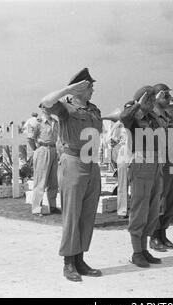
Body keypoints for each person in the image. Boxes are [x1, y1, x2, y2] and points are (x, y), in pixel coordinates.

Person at [40, 67, 103, 282]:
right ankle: (68, 262)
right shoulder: (65, 107)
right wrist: (68, 89)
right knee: (72, 214)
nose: (93, 89)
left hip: (91, 163)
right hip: (73, 162)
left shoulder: (94, 110)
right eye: (90, 86)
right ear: (81, 88)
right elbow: (45, 102)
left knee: (87, 215)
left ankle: (80, 259)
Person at [120, 85, 165, 268]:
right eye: (150, 98)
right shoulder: (134, 117)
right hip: (140, 165)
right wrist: (137, 105)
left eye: (154, 98)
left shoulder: (153, 118)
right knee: (139, 209)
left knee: (152, 210)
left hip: (155, 165)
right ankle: (136, 252)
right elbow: (124, 117)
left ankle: (144, 249)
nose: (153, 101)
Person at [149, 83, 173, 252]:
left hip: (172, 160)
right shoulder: (151, 115)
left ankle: (163, 234)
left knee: (170, 199)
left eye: (169, 96)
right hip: (160, 161)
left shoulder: (168, 117)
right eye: (165, 96)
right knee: (159, 199)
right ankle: (154, 236)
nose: (169, 99)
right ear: (156, 97)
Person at [26, 108, 61, 216]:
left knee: (53, 181)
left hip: (54, 150)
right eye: (47, 107)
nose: (49, 109)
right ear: (42, 109)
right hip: (42, 150)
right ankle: (37, 208)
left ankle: (53, 206)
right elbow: (30, 138)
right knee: (40, 181)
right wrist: (36, 150)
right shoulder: (38, 122)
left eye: (51, 107)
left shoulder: (55, 122)